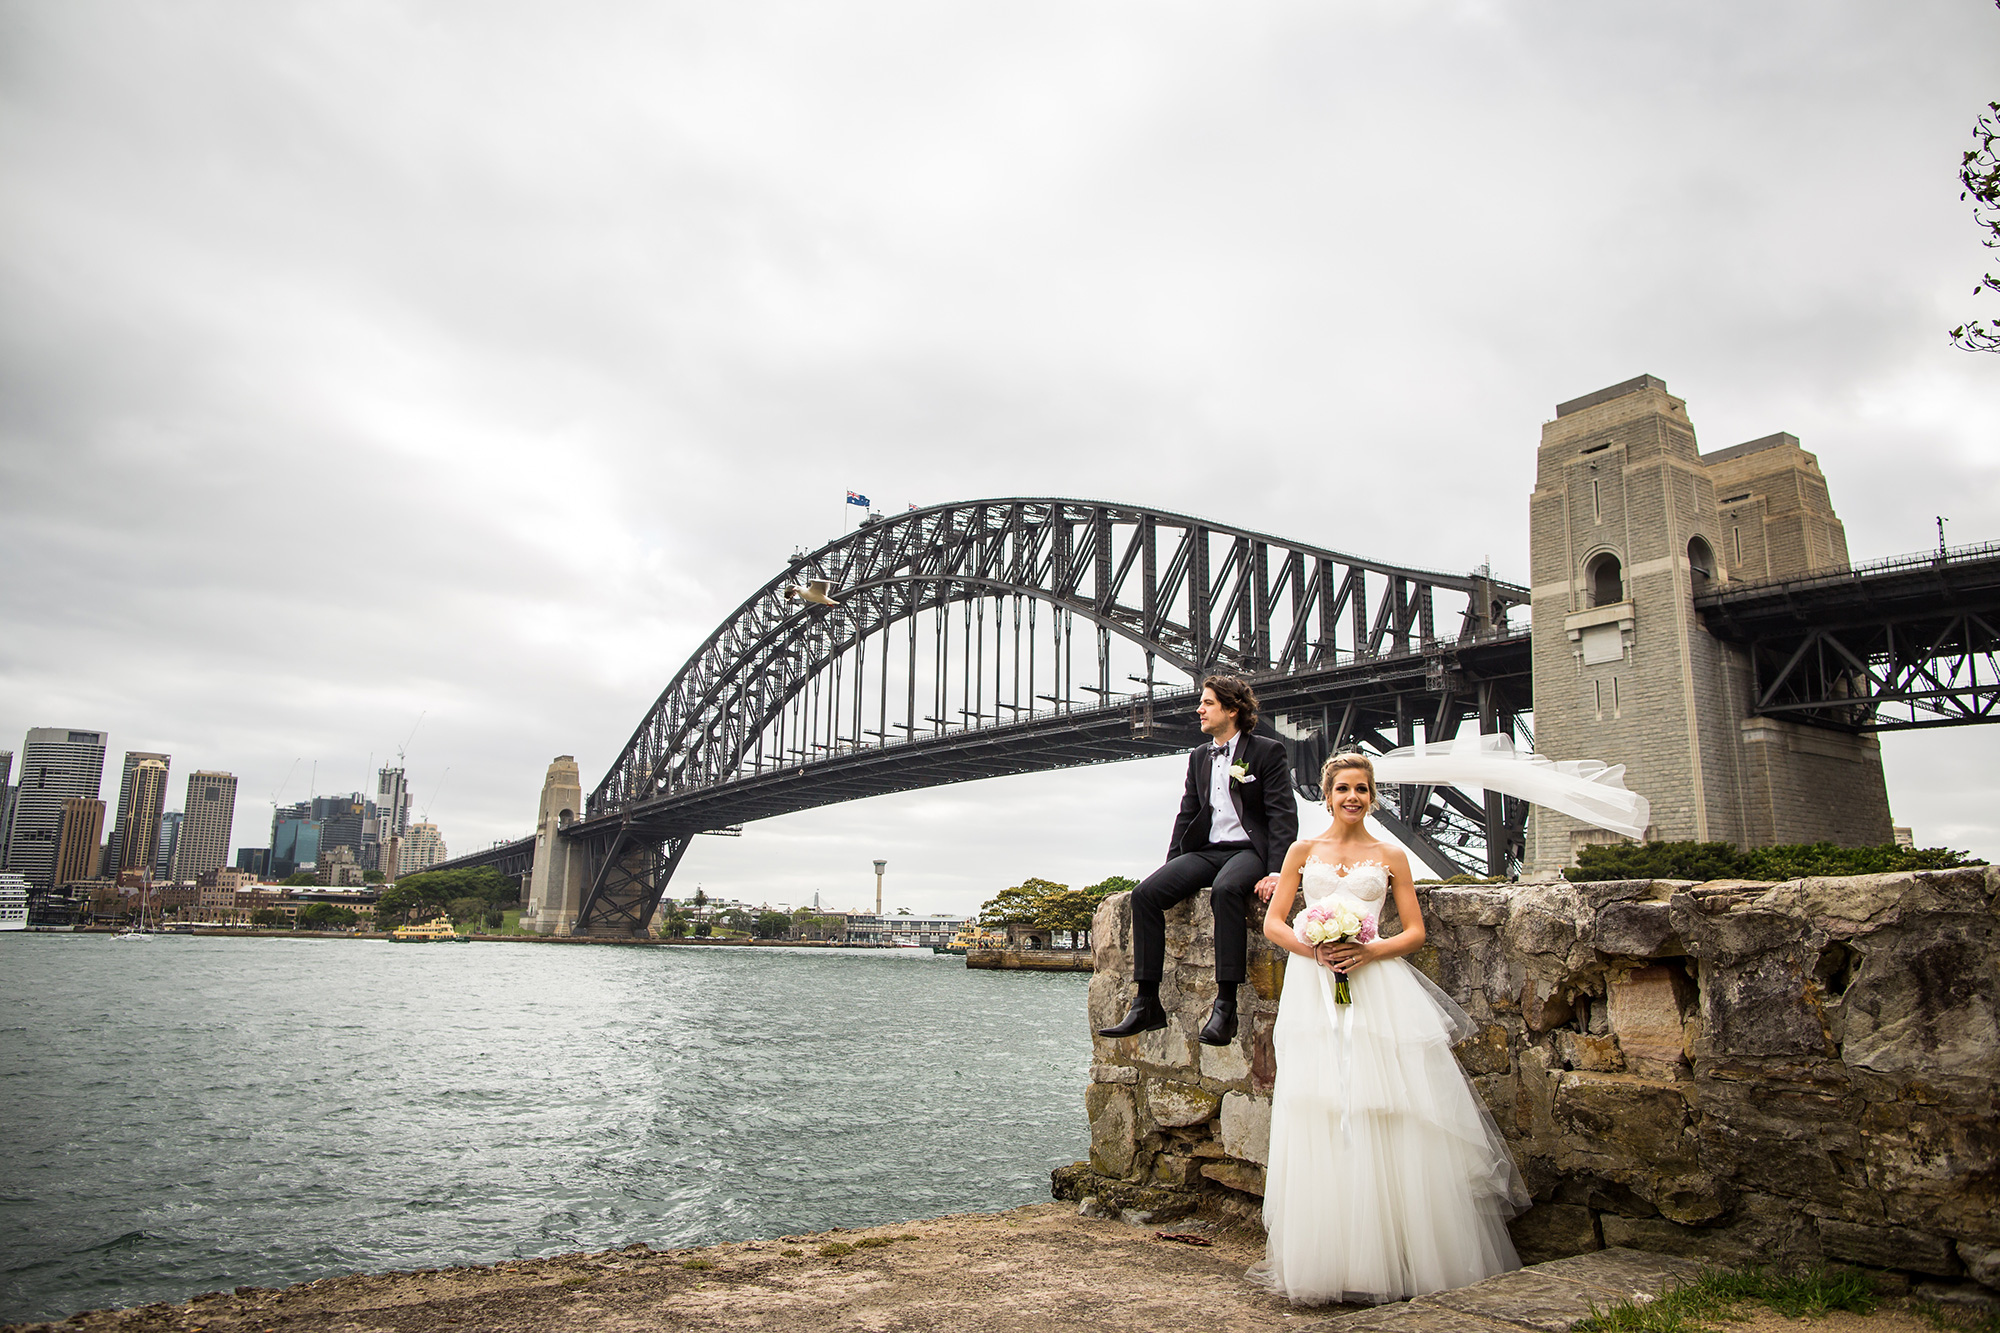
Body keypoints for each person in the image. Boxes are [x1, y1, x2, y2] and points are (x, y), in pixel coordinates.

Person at [1250, 751, 1528, 1306]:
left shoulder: (1391, 854)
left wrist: (1369, 951)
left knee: (1391, 1107)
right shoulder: (1303, 852)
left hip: (1378, 986)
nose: (1352, 797)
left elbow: (1416, 932)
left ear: (1372, 796)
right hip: (1316, 985)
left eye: (1361, 789)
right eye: (1342, 789)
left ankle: (1400, 1254)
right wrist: (1317, 950)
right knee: (1324, 1105)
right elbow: (1275, 922)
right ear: (1326, 795)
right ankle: (1337, 1258)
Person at [1098, 675, 1297, 1046]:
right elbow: (1187, 813)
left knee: (1225, 891)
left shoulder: (1267, 752)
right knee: (1145, 894)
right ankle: (1145, 1002)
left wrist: (1276, 870)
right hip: (1207, 850)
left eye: (1207, 703)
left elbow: (1282, 815)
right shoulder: (1198, 756)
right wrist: (1172, 864)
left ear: (1232, 710)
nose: (1199, 709)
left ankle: (1225, 1007)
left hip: (1249, 851)